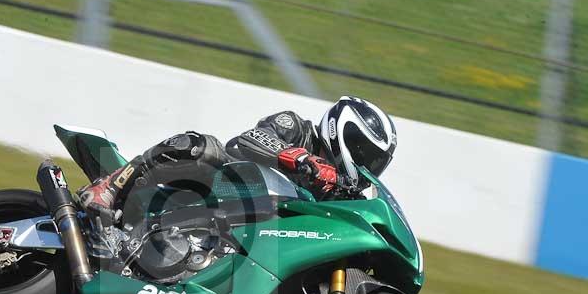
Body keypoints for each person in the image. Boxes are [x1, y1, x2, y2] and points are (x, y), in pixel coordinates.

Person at [78, 96, 397, 225]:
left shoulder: (338, 189)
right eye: (365, 154)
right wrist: (300, 158)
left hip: (259, 227)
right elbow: (249, 138)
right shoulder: (295, 126)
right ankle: (109, 187)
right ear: (345, 134)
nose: (366, 164)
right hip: (223, 184)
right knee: (199, 144)